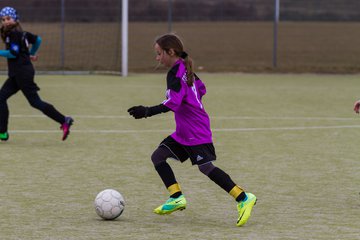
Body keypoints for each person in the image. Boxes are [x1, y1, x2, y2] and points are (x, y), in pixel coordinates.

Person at [127, 33, 257, 227]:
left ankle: (243, 197)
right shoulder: (186, 69)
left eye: (159, 53)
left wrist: (147, 111)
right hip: (184, 132)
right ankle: (176, 197)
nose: (157, 58)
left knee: (206, 168)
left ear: (170, 52)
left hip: (196, 131)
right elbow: (201, 89)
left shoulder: (176, 73)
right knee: (158, 156)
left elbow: (173, 102)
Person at [0, 7, 73, 141]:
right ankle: (2, 133)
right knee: (0, 98)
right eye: (3, 19)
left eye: (9, 18)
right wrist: (31, 53)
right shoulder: (22, 33)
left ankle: (64, 120)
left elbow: (13, 53)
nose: (6, 22)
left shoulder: (14, 34)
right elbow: (38, 40)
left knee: (35, 102)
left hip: (22, 73)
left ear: (15, 19)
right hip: (17, 73)